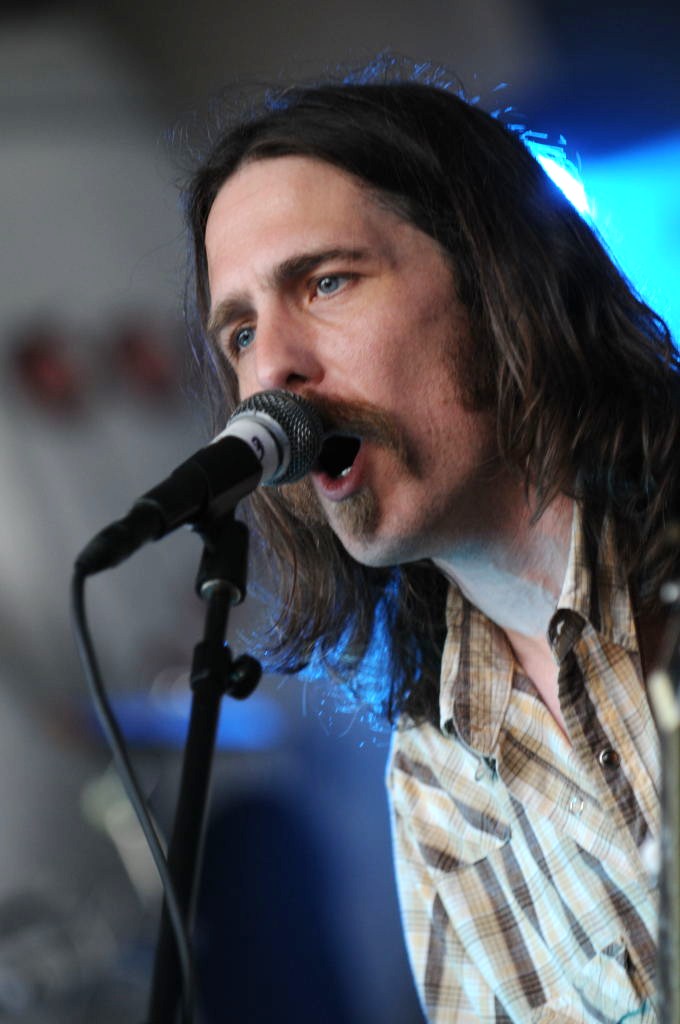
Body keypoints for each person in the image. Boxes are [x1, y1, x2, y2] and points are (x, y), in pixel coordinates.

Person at [184, 60, 679, 1022]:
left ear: (497, 280)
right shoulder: (436, 784)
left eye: (326, 282)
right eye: (239, 334)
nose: (272, 366)